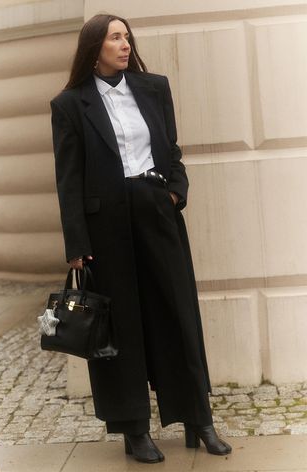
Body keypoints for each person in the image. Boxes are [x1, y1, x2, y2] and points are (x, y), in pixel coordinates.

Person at [50, 13, 232, 464]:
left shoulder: (154, 88)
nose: (125, 44)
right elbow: (68, 179)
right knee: (122, 325)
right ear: (94, 48)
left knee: (176, 312)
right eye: (115, 38)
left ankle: (198, 418)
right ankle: (133, 428)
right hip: (105, 226)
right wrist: (76, 245)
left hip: (155, 209)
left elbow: (171, 150)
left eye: (127, 37)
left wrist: (174, 193)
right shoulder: (70, 104)